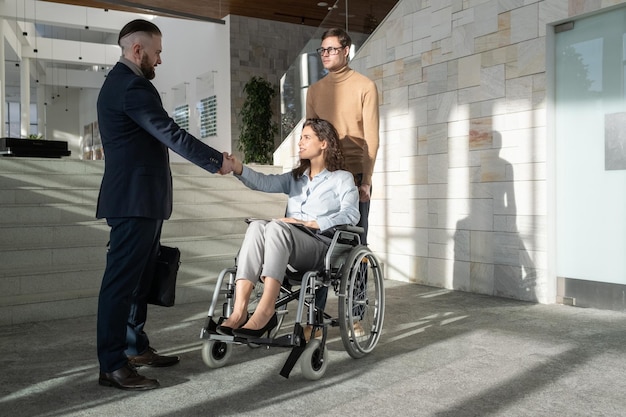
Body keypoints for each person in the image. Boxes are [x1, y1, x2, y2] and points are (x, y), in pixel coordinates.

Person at [96, 19, 234, 391]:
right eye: (156, 53)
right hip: (133, 201)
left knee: (139, 281)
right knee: (121, 284)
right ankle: (112, 364)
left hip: (142, 199)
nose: (159, 60)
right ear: (137, 50)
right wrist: (215, 160)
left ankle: (134, 347)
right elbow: (170, 133)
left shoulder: (122, 84)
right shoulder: (131, 87)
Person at [215, 118, 359, 340]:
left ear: (324, 143)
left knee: (277, 227)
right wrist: (237, 167)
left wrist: (314, 222)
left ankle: (265, 310)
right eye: (300, 137)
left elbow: (352, 213)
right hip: (287, 244)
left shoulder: (341, 178)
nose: (300, 142)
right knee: (257, 227)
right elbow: (263, 182)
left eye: (306, 137)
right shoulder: (296, 178)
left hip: (319, 246)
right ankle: (239, 311)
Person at [305, 27, 380, 325]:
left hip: (355, 175)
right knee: (316, 246)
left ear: (347, 50)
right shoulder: (315, 90)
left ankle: (357, 316)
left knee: (355, 247)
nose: (326, 54)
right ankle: (312, 318)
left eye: (332, 49)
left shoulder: (365, 86)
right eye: (322, 50)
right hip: (323, 177)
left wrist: (366, 181)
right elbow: (309, 137)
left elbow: (372, 139)